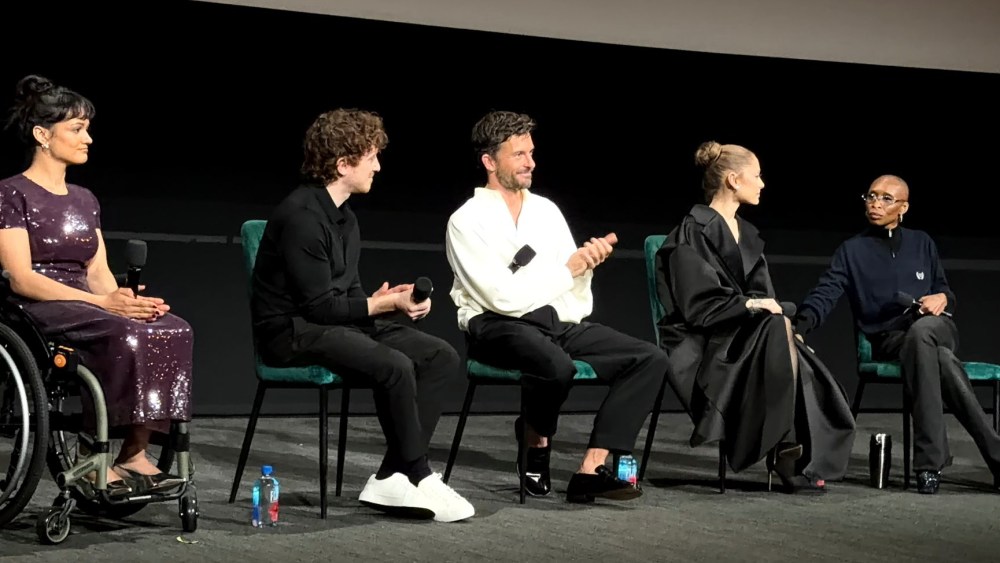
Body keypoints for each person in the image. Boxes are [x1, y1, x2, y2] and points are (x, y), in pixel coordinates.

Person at [251, 108, 474, 522]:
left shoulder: (345, 218)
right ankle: (418, 474)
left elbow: (347, 294)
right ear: (343, 164)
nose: (378, 166)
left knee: (439, 356)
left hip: (331, 324)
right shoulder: (301, 217)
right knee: (394, 365)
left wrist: (384, 300)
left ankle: (391, 475)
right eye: (371, 157)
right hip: (291, 332)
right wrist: (383, 306)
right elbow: (318, 307)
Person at [445, 110, 667, 503]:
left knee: (648, 358)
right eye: (519, 154)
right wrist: (568, 270)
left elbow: (569, 291)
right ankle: (535, 442)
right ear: (489, 161)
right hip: (496, 325)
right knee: (555, 365)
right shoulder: (466, 221)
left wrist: (584, 266)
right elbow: (501, 298)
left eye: (531, 152)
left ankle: (591, 468)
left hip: (552, 321)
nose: (531, 162)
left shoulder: (546, 211)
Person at [0, 75, 190, 495]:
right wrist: (103, 303)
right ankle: (93, 450)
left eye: (87, 128)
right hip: (39, 304)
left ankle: (135, 452)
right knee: (123, 332)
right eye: (77, 129)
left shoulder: (85, 198)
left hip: (87, 300)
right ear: (42, 135)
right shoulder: (11, 194)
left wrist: (125, 300)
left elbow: (98, 270)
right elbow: (21, 277)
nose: (88, 138)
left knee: (171, 329)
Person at [655, 141, 855, 493]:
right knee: (778, 330)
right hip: (704, 339)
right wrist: (750, 307)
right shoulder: (692, 230)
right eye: (757, 175)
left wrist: (772, 317)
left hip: (749, 334)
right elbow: (697, 302)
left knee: (788, 338)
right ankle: (786, 451)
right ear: (733, 180)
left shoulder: (746, 235)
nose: (762, 183)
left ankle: (786, 446)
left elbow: (765, 295)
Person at [795, 174, 1000, 494]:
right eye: (871, 196)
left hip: (937, 327)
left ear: (903, 207)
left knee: (924, 333)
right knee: (941, 360)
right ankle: (993, 456)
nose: (875, 203)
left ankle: (930, 463)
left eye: (886, 198)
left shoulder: (922, 242)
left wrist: (942, 298)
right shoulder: (852, 251)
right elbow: (825, 293)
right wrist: (800, 326)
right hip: (891, 339)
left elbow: (945, 291)